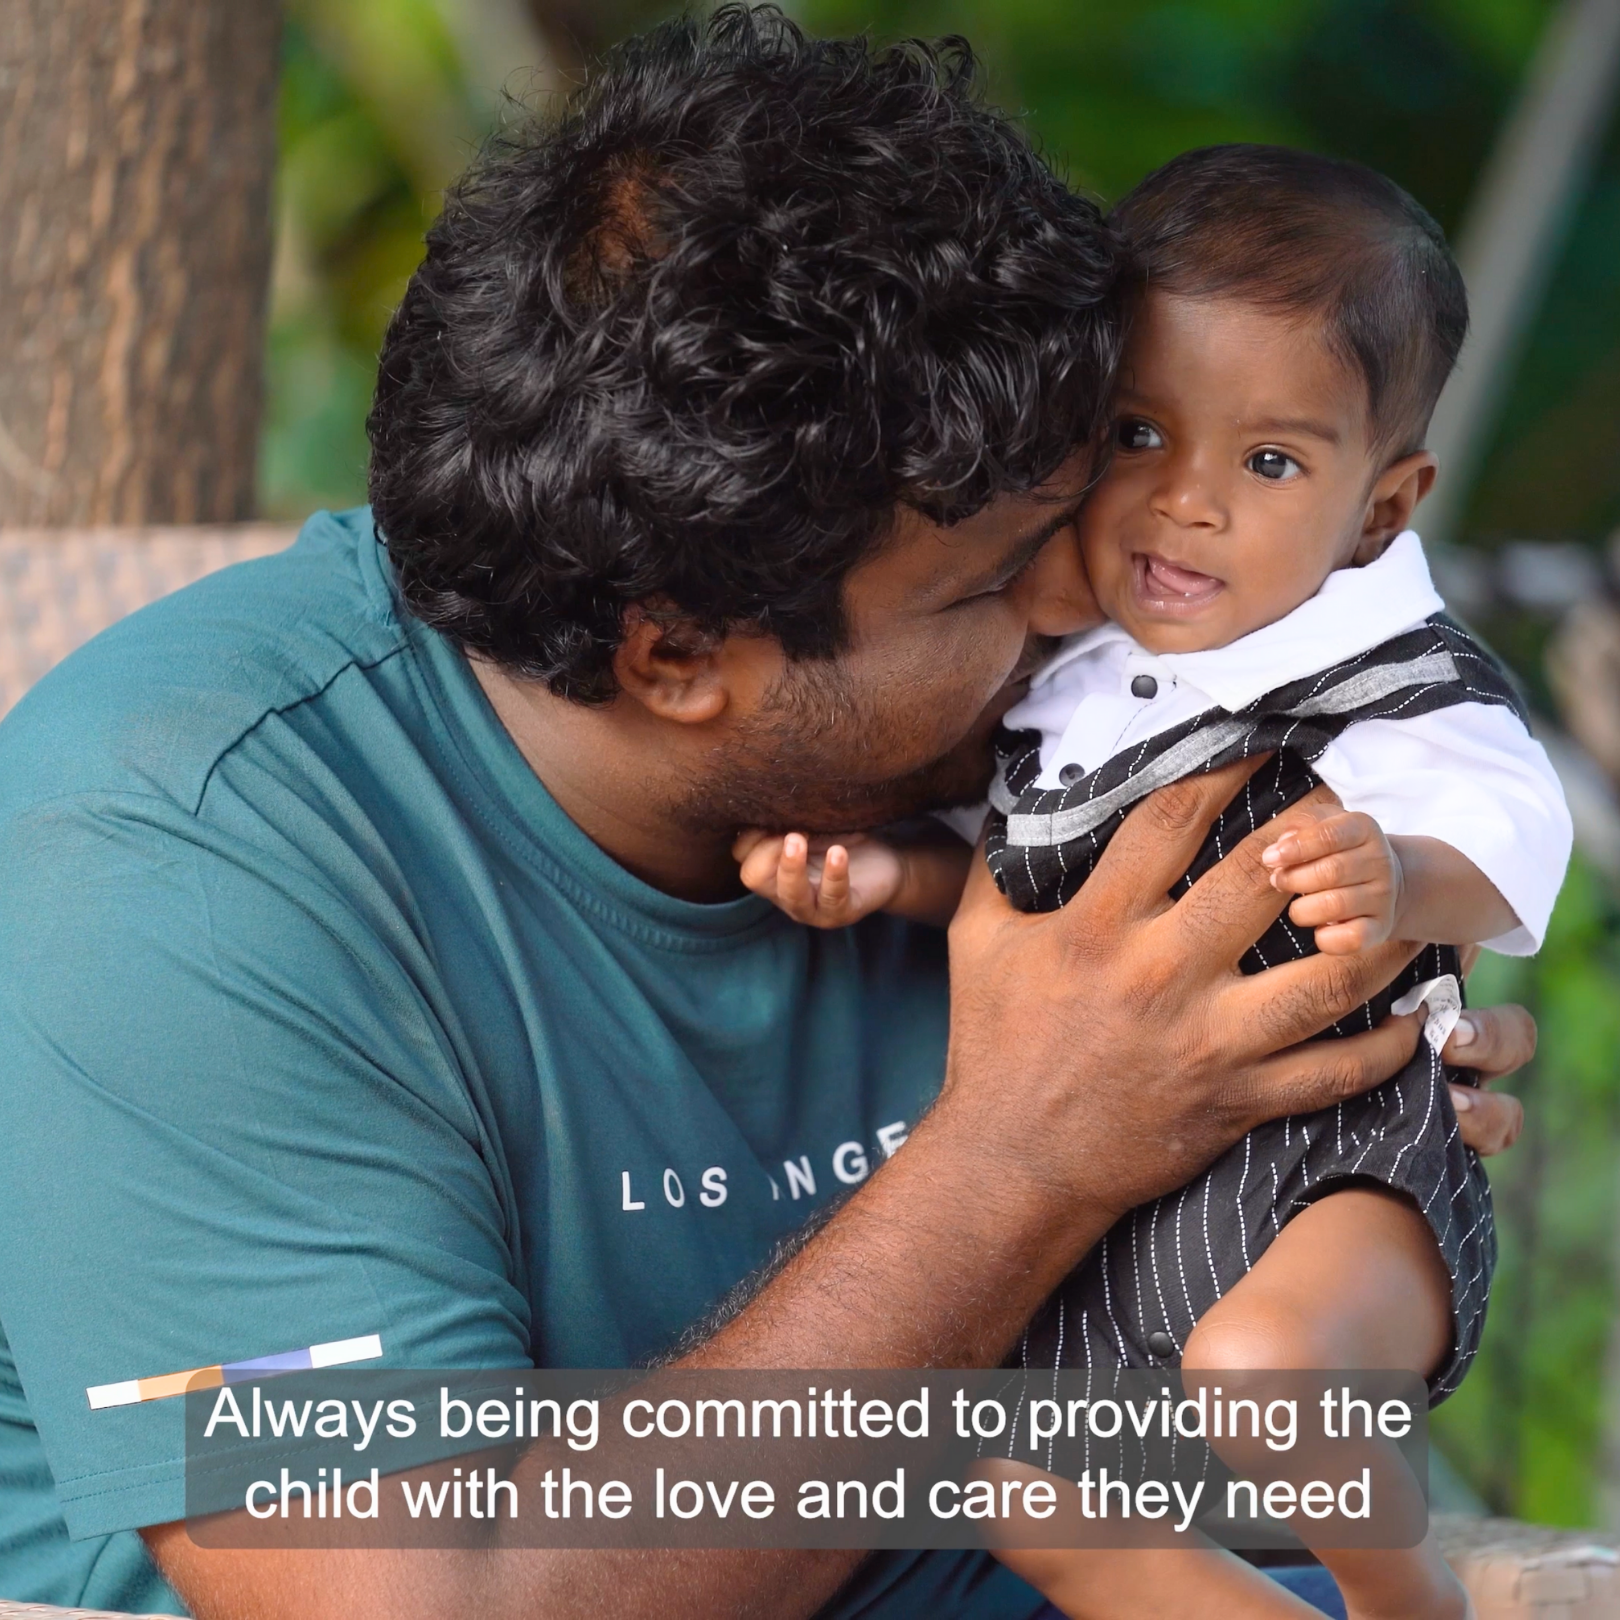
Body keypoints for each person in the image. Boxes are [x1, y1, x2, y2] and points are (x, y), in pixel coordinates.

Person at [0, 14, 1530, 1620]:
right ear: (677, 656)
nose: (1096, 599)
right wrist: (1026, 1153)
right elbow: (437, 1599)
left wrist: (1336, 1116)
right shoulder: (171, 862)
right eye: (999, 578)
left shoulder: (1015, 766)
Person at [739, 146, 1571, 1618]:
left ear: (1381, 511)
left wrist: (1397, 878)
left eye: (1268, 463)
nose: (1184, 502)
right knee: (1014, 1499)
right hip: (1115, 1220)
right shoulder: (1071, 673)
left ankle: (1407, 1605)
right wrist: (891, 874)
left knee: (1269, 1377)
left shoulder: (1382, 675)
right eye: (1137, 434)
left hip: (1335, 1162)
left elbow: (1505, 831)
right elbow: (1025, 887)